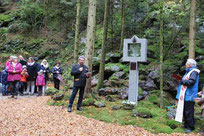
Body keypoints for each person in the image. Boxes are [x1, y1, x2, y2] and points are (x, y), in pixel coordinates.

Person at [176, 59, 200, 133]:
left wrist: (181, 81)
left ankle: (190, 127)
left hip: (189, 95)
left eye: (186, 64)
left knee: (188, 111)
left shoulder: (194, 72)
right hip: (185, 95)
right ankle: (186, 125)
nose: (186, 65)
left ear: (189, 65)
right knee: (184, 110)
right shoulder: (189, 72)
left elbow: (191, 82)